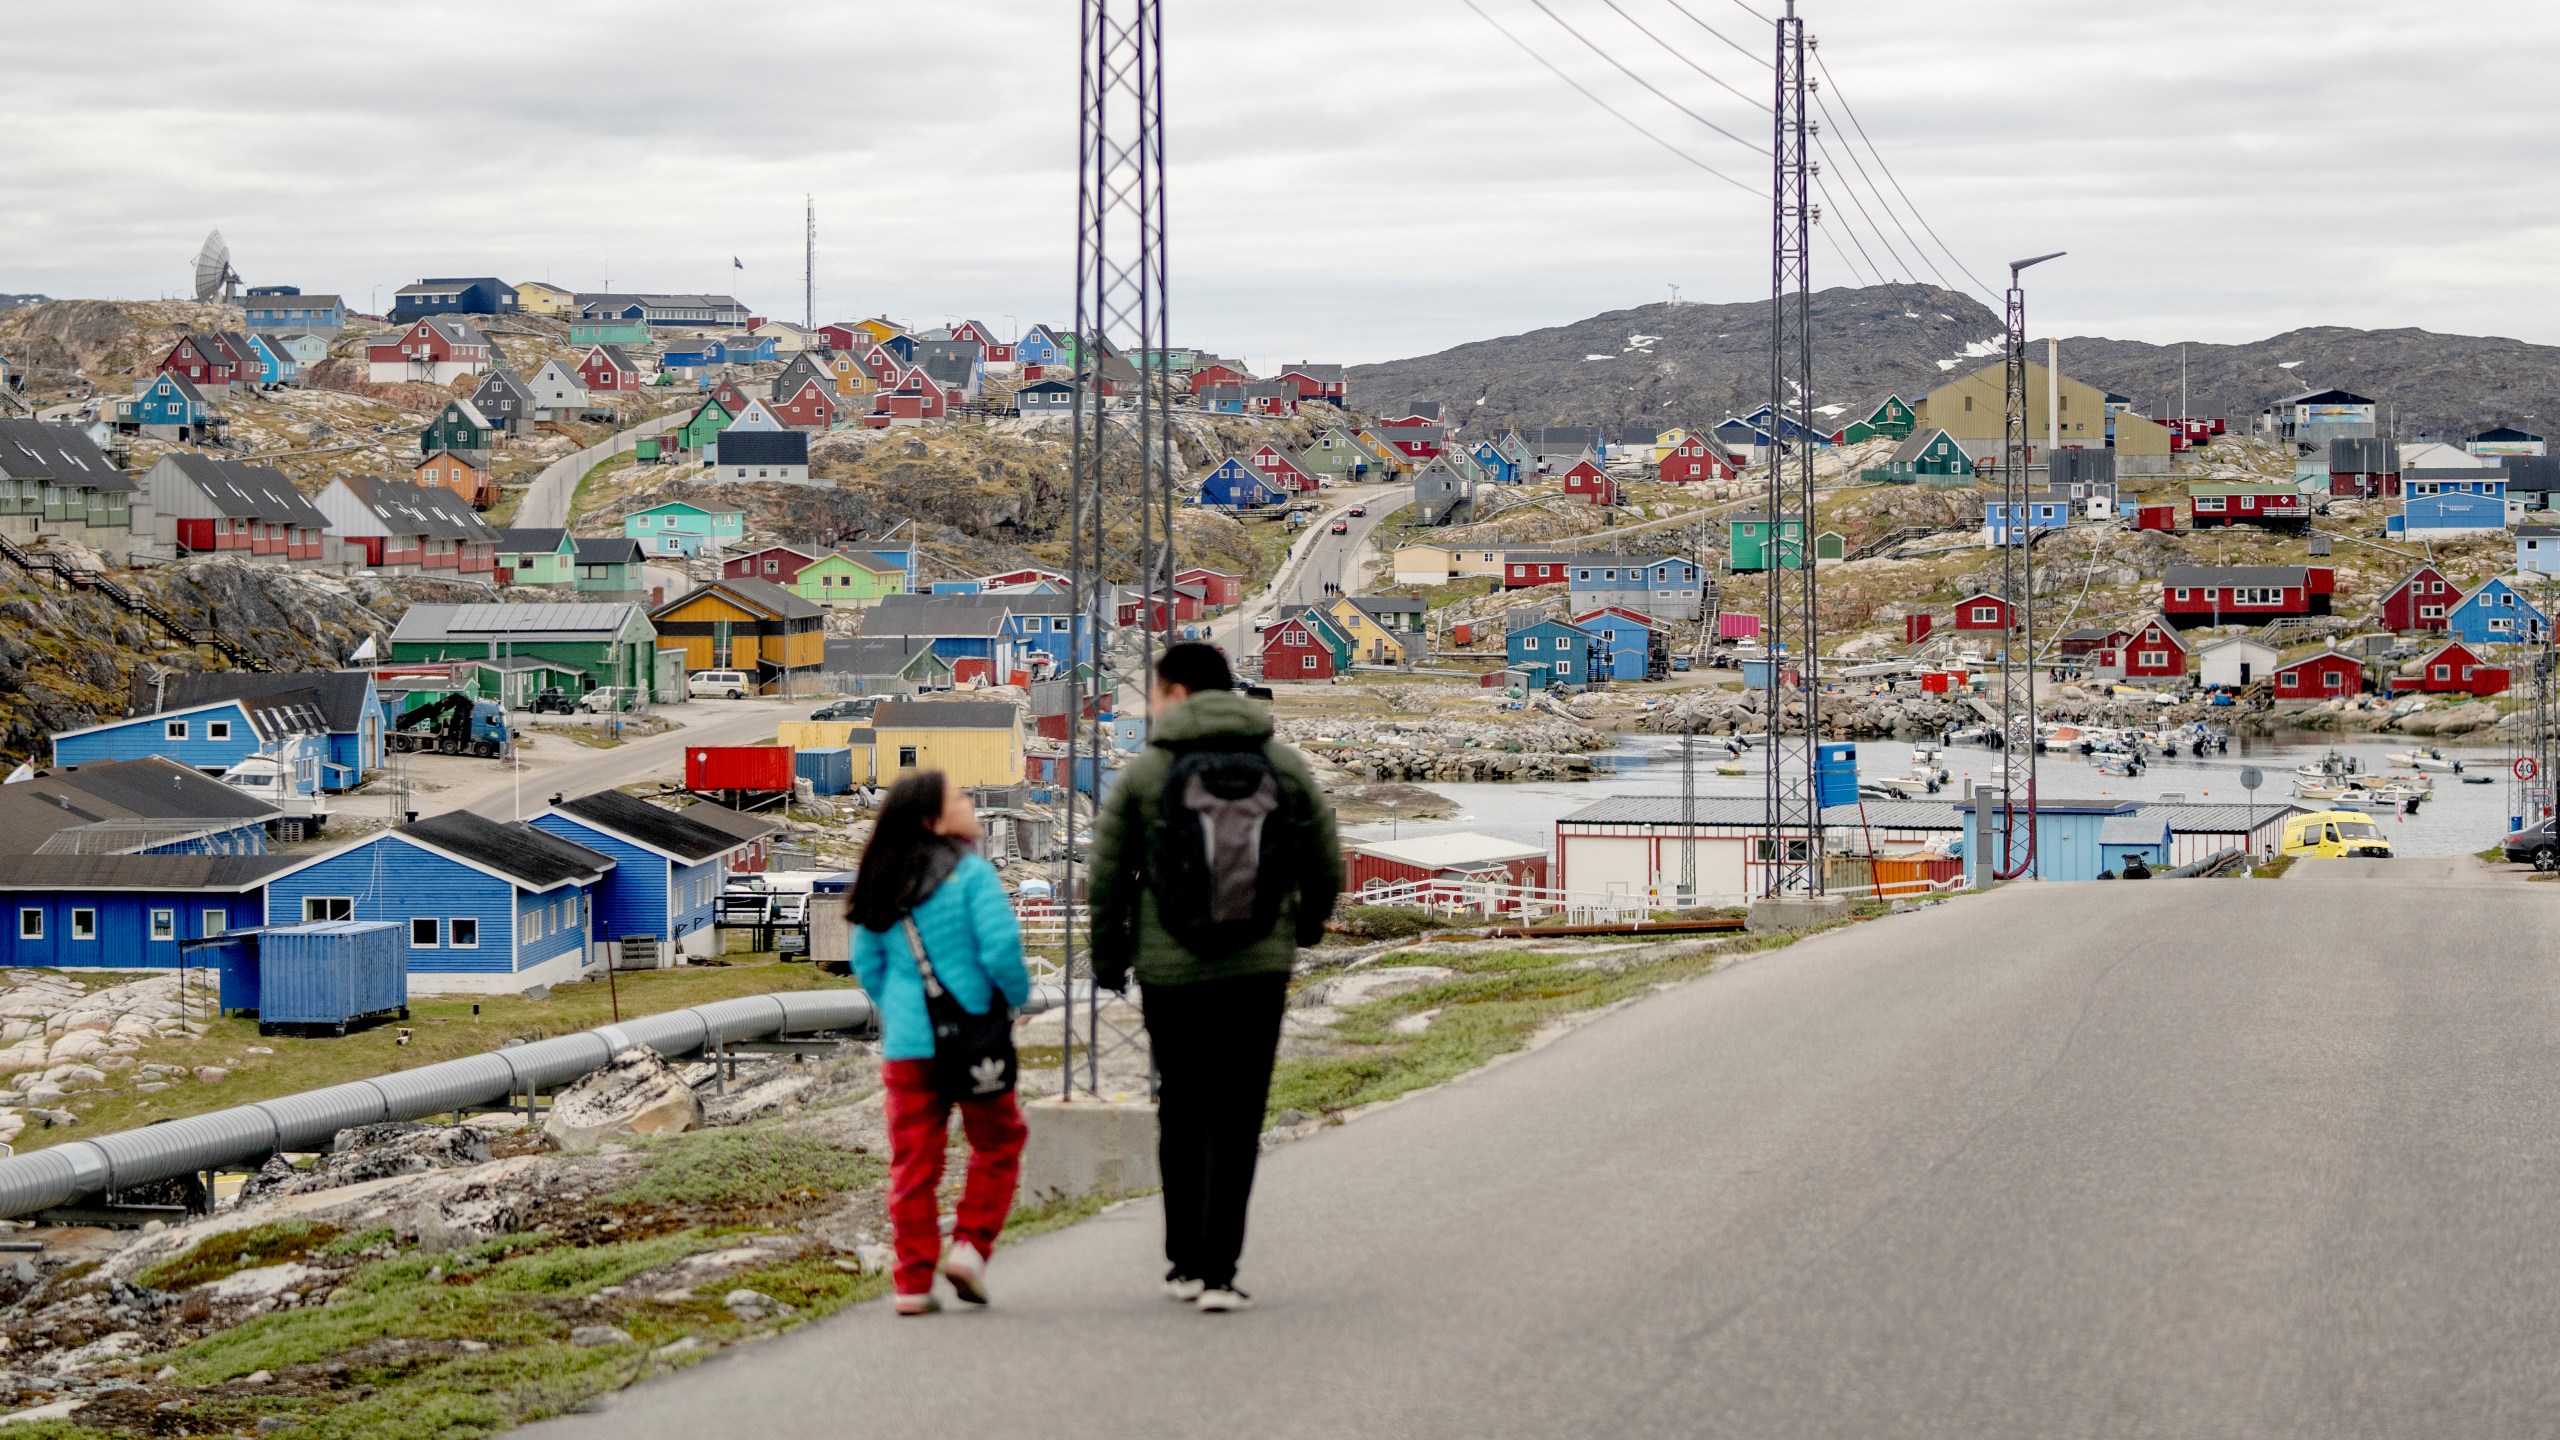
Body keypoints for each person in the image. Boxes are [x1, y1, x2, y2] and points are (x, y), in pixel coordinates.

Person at [1090, 642, 1340, 1313]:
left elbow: (1106, 879)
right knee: (1237, 1113)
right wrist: (1304, 929)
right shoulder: (1281, 764)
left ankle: (1184, 1264)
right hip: (1258, 969)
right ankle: (1222, 1271)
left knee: (1183, 1106)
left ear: (1174, 694)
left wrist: (1110, 959)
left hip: (1172, 974)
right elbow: (1325, 861)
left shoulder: (1147, 773)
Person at [847, 770, 1032, 1317]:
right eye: (958, 798)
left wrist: (906, 1011)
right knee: (999, 1143)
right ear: (934, 820)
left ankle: (911, 1283)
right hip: (974, 1036)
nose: (970, 801)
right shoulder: (972, 875)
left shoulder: (879, 878)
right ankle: (970, 1247)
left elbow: (867, 966)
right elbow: (1001, 950)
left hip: (908, 1047)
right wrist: (1009, 1003)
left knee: (914, 1163)